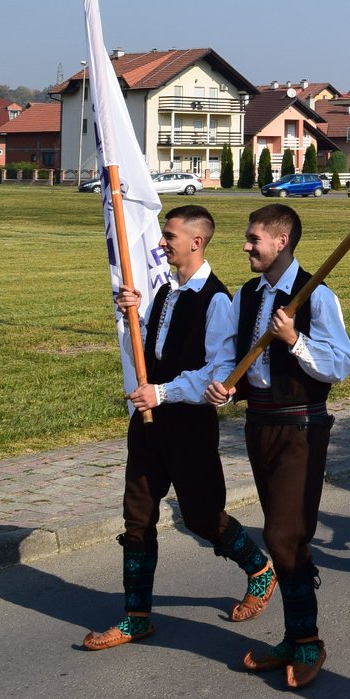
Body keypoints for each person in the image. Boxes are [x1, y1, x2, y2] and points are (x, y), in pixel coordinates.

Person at [84, 204, 276, 652]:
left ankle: (258, 567)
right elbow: (149, 345)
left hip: (189, 425)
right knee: (137, 519)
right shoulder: (165, 292)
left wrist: (163, 393)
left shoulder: (218, 302)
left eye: (169, 236)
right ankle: (136, 616)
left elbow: (217, 371)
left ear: (196, 241)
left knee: (203, 518)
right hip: (148, 425)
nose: (162, 242)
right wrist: (132, 313)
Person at [224, 203, 350, 689]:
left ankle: (308, 642)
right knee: (282, 534)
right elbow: (248, 362)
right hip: (259, 424)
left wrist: (294, 337)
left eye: (253, 237)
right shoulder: (247, 294)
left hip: (301, 426)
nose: (245, 245)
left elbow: (341, 363)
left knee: (286, 536)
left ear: (281, 241)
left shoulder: (316, 297)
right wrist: (230, 386)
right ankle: (294, 634)